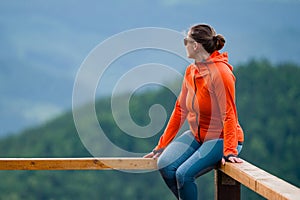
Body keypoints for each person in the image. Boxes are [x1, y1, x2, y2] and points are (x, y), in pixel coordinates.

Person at [144, 23, 244, 200]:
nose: (184, 45)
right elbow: (179, 109)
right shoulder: (191, 71)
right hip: (199, 136)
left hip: (222, 139)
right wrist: (162, 146)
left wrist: (230, 151)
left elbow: (229, 114)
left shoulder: (220, 73)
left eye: (186, 41)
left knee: (183, 174)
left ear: (196, 45)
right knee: (165, 166)